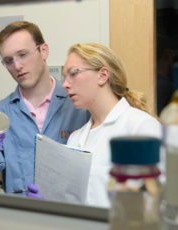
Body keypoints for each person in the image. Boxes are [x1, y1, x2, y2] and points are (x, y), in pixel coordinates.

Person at [0, 21, 89, 197]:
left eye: (23, 55)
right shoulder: (0, 112)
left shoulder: (78, 104)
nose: (17, 66)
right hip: (22, 215)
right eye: (9, 61)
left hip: (69, 216)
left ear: (43, 51)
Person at [62, 43, 162, 208]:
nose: (65, 84)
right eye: (64, 77)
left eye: (73, 73)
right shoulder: (75, 138)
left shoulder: (141, 128)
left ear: (102, 75)